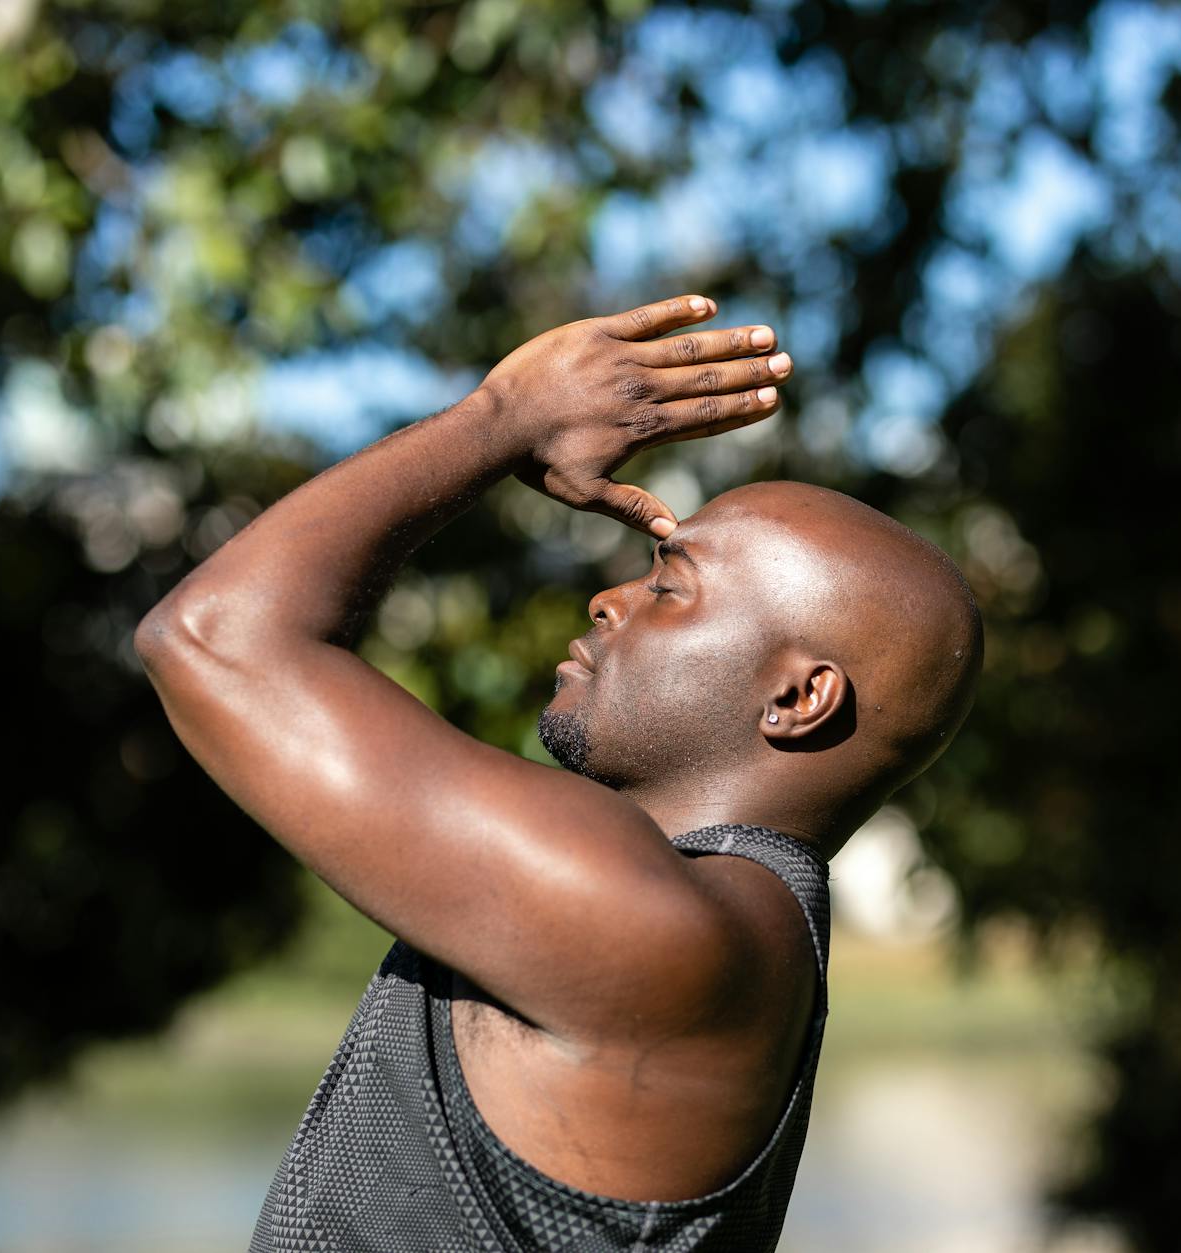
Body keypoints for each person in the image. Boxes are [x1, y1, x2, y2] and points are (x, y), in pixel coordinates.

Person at [135, 294, 984, 1251]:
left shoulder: (655, 916)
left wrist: (506, 416)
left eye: (670, 586)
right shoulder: (733, 922)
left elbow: (212, 639)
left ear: (798, 699)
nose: (611, 597)